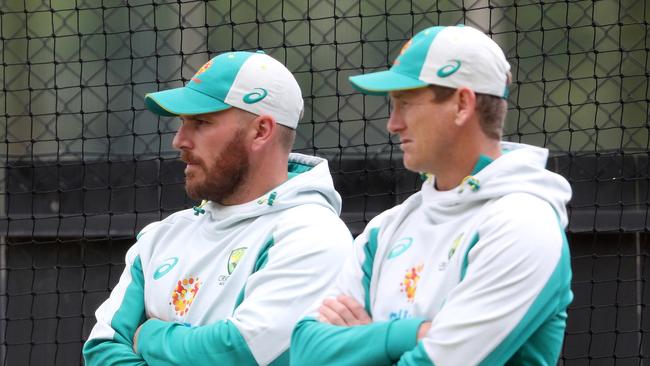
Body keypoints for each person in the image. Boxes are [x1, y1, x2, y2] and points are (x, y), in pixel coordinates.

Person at [291, 25, 573, 365]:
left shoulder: (523, 225)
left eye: (405, 103)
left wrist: (363, 344)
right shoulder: (387, 229)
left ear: (462, 104)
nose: (392, 124)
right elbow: (306, 350)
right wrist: (410, 335)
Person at [82, 50, 352, 365]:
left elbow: (238, 352)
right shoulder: (161, 236)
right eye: (182, 123)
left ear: (261, 131)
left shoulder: (312, 234)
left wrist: (150, 336)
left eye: (200, 122)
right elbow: (102, 350)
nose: (179, 140)